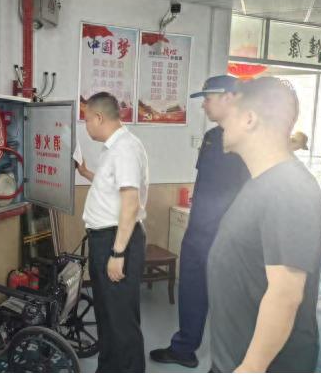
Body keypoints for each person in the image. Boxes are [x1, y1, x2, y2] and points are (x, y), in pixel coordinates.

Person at [208, 77, 321, 372]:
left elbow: (285, 294)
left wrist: (251, 367)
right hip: (234, 359)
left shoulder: (289, 188)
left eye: (230, 112)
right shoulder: (263, 182)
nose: (221, 122)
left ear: (250, 119)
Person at [150, 75, 250, 368]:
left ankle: (230, 363)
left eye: (208, 98)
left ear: (229, 97)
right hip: (199, 231)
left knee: (228, 301)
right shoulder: (212, 136)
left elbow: (250, 192)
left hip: (226, 236)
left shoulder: (247, 138)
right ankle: (184, 348)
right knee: (191, 290)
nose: (204, 105)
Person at [76, 91, 149, 372]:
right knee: (106, 314)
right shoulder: (114, 148)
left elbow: (130, 202)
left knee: (120, 319)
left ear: (98, 117)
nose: (86, 125)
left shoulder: (124, 148)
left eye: (86, 120)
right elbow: (113, 187)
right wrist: (86, 173)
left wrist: (118, 253)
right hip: (106, 239)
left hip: (117, 240)